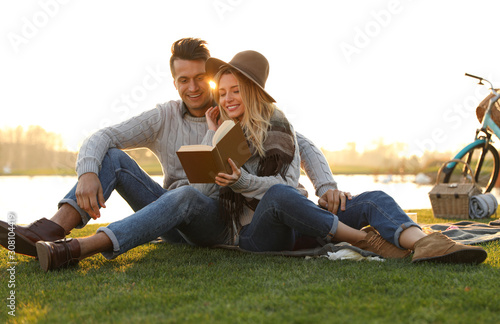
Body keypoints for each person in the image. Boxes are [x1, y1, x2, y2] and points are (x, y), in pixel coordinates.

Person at [0, 39, 339, 268]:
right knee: (114, 158)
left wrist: (326, 188)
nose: (192, 87)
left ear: (211, 79)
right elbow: (104, 134)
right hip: (165, 211)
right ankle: (51, 230)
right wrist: (87, 172)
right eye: (183, 80)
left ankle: (80, 249)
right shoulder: (163, 117)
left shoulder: (238, 114)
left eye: (199, 79)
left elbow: (301, 143)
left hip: (213, 216)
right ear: (174, 82)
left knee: (189, 195)